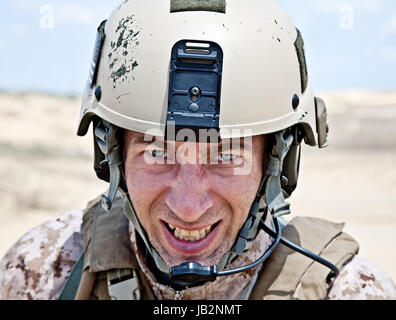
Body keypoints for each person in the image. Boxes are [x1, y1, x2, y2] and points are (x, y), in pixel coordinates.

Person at [1, 0, 395, 300]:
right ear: (111, 156)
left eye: (227, 156)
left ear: (278, 163)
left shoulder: (349, 291)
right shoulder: (45, 272)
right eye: (156, 153)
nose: (189, 208)